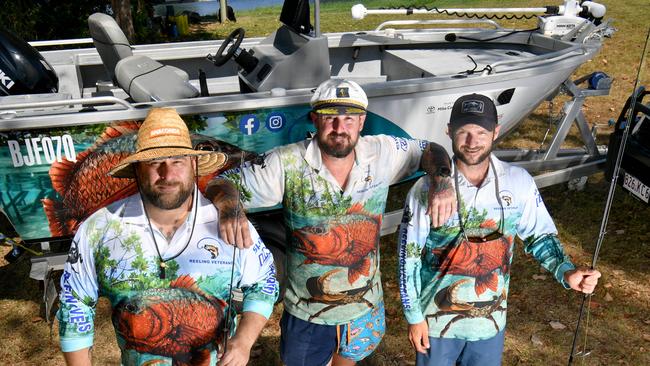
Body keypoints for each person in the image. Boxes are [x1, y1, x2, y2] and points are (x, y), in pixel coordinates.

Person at [206, 78, 456, 366]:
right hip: (306, 312)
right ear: (315, 119)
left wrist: (442, 180)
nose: (340, 128)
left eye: (349, 119)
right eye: (330, 119)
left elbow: (430, 148)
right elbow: (223, 182)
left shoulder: (383, 152)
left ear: (362, 122)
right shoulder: (286, 162)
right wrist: (230, 208)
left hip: (363, 307)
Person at [56, 108, 279, 366]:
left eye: (177, 161)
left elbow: (264, 282)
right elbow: (75, 304)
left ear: (193, 165)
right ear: (137, 170)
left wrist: (243, 341)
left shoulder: (229, 223)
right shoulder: (99, 229)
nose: (167, 174)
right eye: (154, 162)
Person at [397, 93, 602, 366]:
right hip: (436, 324)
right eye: (464, 132)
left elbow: (539, 236)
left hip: (490, 324)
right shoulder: (426, 190)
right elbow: (406, 258)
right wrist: (414, 317)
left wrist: (567, 272)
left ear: (496, 131)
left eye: (481, 132)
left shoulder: (518, 182)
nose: (472, 142)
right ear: (449, 131)